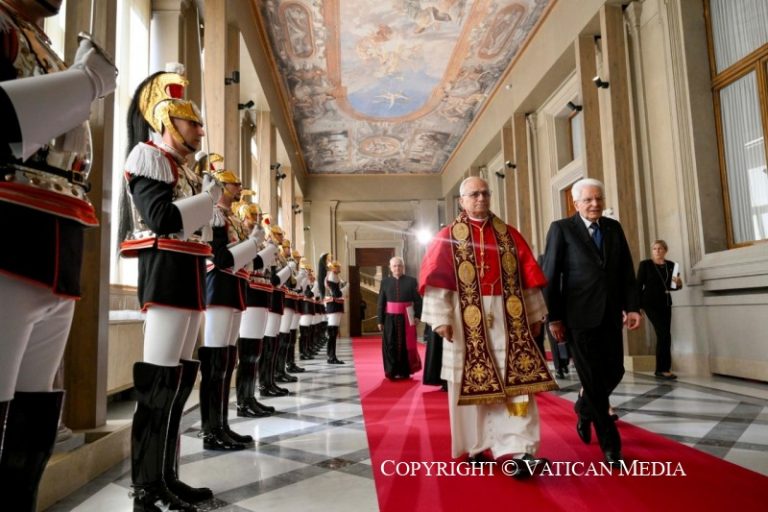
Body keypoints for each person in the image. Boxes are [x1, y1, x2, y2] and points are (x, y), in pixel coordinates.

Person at [0, 1, 116, 509]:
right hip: (9, 228)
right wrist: (83, 83)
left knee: (35, 411)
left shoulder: (44, 46)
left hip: (58, 238)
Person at [120, 70, 219, 510]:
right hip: (164, 274)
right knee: (158, 385)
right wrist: (208, 201)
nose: (199, 130)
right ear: (167, 121)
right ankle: (145, 488)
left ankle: (166, 476)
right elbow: (160, 218)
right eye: (192, 122)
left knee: (179, 384)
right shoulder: (149, 157)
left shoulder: (185, 170)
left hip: (190, 273)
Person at [419, 176, 556, 478]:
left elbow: (527, 279)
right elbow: (437, 281)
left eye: (485, 193)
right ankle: (476, 445)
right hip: (464, 319)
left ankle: (520, 450)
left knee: (516, 384)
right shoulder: (447, 236)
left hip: (509, 320)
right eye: (474, 194)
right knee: (470, 382)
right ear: (462, 201)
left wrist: (535, 316)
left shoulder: (509, 235)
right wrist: (440, 319)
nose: (481, 198)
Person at [541, 177, 641, 466]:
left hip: (610, 315)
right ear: (576, 203)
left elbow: (626, 270)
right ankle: (611, 445)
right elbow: (550, 275)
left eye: (599, 198)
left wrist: (632, 307)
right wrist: (554, 318)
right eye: (588, 200)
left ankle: (584, 410)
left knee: (616, 370)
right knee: (594, 381)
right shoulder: (561, 229)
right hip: (577, 317)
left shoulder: (613, 228)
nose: (595, 204)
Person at [200, 165, 274, 450]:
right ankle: (210, 430)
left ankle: (222, 425)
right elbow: (220, 258)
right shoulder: (215, 214)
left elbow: (249, 263)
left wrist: (257, 247)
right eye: (234, 185)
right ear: (221, 186)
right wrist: (253, 244)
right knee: (216, 360)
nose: (239, 189)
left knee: (228, 358)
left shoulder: (232, 219)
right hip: (219, 287)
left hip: (235, 288)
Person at [637, 239, 683, 380]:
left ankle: (662, 369)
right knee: (663, 333)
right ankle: (663, 369)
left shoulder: (673, 266)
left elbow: (674, 287)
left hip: (665, 302)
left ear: (665, 250)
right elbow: (638, 286)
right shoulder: (645, 265)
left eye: (660, 248)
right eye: (654, 249)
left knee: (665, 335)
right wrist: (637, 307)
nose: (657, 251)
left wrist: (679, 284)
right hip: (649, 303)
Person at [377, 256, 422, 380]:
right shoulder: (385, 282)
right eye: (395, 266)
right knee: (390, 344)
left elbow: (418, 301)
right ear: (390, 268)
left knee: (405, 345)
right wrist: (380, 320)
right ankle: (391, 371)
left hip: (407, 317)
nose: (397, 268)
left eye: (400, 265)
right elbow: (381, 302)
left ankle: (404, 371)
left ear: (403, 267)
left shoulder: (411, 281)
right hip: (389, 318)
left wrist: (417, 316)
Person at [319, 253, 346, 364]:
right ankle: (331, 356)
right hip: (334, 304)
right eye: (337, 267)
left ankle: (332, 355)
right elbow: (336, 293)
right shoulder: (332, 276)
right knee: (333, 331)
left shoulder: (333, 276)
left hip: (334, 304)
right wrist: (345, 289)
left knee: (333, 331)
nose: (339, 269)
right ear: (333, 268)